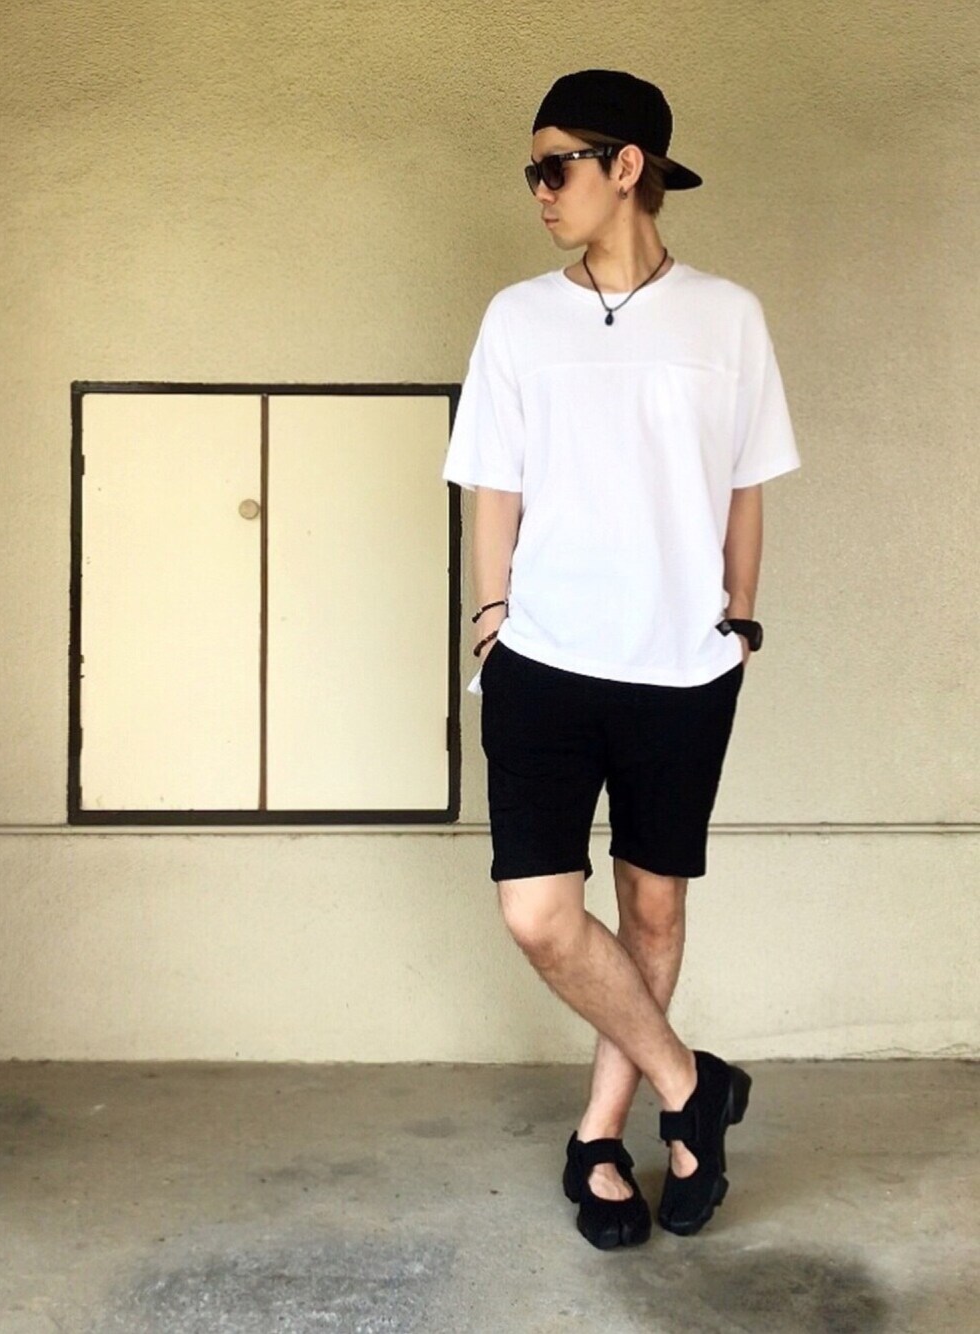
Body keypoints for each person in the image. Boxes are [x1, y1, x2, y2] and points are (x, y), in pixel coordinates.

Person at [441, 69, 801, 1250]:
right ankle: (691, 1083)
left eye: (556, 166)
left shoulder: (726, 316)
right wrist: (492, 617)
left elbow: (744, 486)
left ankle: (601, 1136)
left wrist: (737, 621)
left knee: (651, 904)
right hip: (542, 658)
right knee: (539, 911)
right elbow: (493, 485)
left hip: (681, 669)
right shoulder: (516, 318)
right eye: (532, 171)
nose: (539, 190)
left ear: (626, 166)